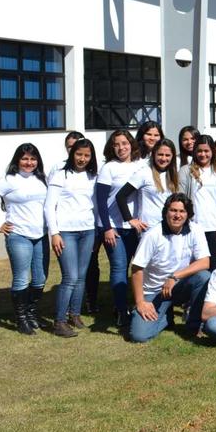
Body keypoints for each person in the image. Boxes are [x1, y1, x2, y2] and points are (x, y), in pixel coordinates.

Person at [0, 143, 49, 335]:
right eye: (25, 159)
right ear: (17, 160)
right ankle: (21, 319)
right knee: (21, 278)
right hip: (19, 236)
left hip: (41, 235)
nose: (29, 162)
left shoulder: (42, 178)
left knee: (41, 278)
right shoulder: (8, 180)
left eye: (33, 159)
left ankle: (32, 312)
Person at [129, 193, 211, 342]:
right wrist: (140, 303)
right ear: (166, 212)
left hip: (178, 285)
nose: (177, 215)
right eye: (173, 210)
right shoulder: (152, 235)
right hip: (154, 291)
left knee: (204, 277)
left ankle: (193, 326)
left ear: (188, 214)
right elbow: (136, 269)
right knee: (139, 336)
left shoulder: (196, 230)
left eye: (182, 211)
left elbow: (205, 262)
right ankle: (166, 317)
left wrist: (175, 276)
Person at [45, 139, 98, 337]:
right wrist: (55, 233)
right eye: (79, 154)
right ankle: (59, 321)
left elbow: (96, 205)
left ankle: (74, 315)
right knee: (70, 277)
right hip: (66, 232)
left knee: (82, 276)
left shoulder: (93, 176)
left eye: (86, 155)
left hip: (88, 231)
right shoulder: (61, 174)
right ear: (72, 153)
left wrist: (98, 230)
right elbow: (49, 206)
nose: (82, 159)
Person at [93, 129, 140, 327]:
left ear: (131, 144)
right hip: (115, 228)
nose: (121, 147)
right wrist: (107, 228)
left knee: (138, 268)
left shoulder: (141, 165)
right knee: (120, 268)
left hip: (136, 227)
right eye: (116, 144)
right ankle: (121, 311)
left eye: (124, 143)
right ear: (112, 148)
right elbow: (101, 201)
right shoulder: (108, 168)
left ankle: (136, 304)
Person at [179, 135, 216, 269]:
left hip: (213, 226)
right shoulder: (186, 171)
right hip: (193, 225)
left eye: (206, 151)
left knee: (213, 264)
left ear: (212, 151)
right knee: (193, 264)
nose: (203, 154)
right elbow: (180, 198)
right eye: (199, 151)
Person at [116, 139, 180, 243]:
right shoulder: (144, 172)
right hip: (149, 229)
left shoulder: (174, 174)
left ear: (173, 157)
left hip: (170, 228)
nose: (163, 158)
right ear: (154, 154)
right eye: (160, 154)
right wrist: (130, 219)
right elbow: (120, 196)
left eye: (167, 155)